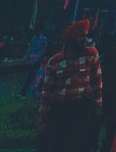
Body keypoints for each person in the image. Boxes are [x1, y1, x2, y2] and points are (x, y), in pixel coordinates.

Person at [39, 21, 104, 152]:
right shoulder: (55, 61)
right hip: (60, 108)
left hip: (82, 106)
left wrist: (98, 105)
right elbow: (46, 92)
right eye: (81, 36)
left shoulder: (91, 54)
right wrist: (42, 117)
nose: (85, 40)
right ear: (71, 40)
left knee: (78, 144)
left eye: (86, 36)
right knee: (59, 144)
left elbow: (97, 81)